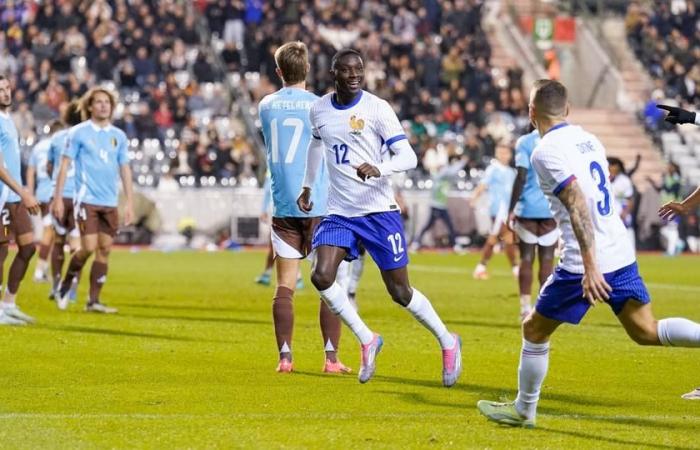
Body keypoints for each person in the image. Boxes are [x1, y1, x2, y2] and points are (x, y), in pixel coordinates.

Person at [477, 79, 700, 428]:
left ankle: (524, 410)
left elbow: (578, 203)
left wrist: (590, 268)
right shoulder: (589, 139)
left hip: (584, 262)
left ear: (531, 113)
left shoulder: (544, 150)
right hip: (621, 251)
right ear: (567, 110)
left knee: (534, 330)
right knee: (646, 331)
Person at [297, 49, 462, 386]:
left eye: (359, 69)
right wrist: (307, 185)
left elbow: (409, 156)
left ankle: (447, 341)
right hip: (341, 212)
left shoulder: (377, 108)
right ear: (334, 74)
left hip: (378, 212)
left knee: (400, 292)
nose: (354, 75)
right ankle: (367, 338)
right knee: (321, 275)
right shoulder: (319, 110)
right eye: (347, 70)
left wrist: (380, 168)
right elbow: (316, 147)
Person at [259, 41, 350, 374]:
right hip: (321, 203)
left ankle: (285, 357)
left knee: (285, 285)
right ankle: (331, 359)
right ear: (308, 69)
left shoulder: (266, 105)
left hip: (283, 205)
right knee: (330, 284)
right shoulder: (319, 105)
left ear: (279, 72)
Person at [52, 87, 135, 313]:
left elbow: (125, 169)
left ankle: (93, 301)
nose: (103, 105)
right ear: (89, 106)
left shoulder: (119, 136)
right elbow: (65, 166)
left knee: (105, 249)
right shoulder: (78, 133)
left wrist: (129, 202)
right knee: (87, 247)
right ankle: (65, 284)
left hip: (109, 201)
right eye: (98, 102)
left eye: (106, 102)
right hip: (86, 199)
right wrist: (58, 198)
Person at [0, 75, 42, 325]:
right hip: (3, 196)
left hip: (15, 195)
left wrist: (23, 191)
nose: (5, 93)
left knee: (28, 248)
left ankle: (9, 303)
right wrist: (24, 191)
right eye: (0, 90)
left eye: (6, 88)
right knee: (1, 251)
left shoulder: (9, 120)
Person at [508, 129, 558, 321]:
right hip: (551, 209)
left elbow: (521, 176)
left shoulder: (525, 142)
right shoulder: (558, 139)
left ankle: (525, 308)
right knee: (547, 260)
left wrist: (511, 208)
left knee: (526, 258)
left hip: (527, 208)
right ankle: (542, 309)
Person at [47, 100, 83, 301]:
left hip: (59, 195)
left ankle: (56, 284)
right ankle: (72, 288)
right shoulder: (88, 137)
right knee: (77, 246)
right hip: (80, 197)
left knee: (58, 242)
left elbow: (49, 167)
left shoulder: (57, 138)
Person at [471, 142, 518, 280]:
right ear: (497, 154)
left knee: (505, 239)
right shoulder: (493, 169)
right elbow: (483, 185)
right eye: (501, 152)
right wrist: (474, 197)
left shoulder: (511, 172)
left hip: (508, 211)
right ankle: (481, 268)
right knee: (501, 237)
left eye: (506, 153)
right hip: (498, 210)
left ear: (510, 155)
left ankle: (514, 269)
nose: (503, 155)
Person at [27, 121, 61, 283]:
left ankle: (44, 270)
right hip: (52, 194)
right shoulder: (58, 145)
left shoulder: (38, 147)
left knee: (53, 233)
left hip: (40, 194)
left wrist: (31, 193)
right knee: (49, 232)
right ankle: (39, 271)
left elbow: (30, 170)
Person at [411, 155, 465, 251]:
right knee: (428, 225)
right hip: (436, 206)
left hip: (442, 206)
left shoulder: (445, 177)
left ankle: (455, 244)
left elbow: (451, 171)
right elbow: (451, 171)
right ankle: (416, 242)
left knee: (450, 226)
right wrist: (463, 162)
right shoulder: (438, 177)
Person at [607, 157, 636, 249]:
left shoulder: (624, 180)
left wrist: (626, 212)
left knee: (627, 232)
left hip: (622, 211)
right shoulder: (604, 179)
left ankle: (631, 251)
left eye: (612, 165)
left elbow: (630, 199)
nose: (610, 168)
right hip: (609, 212)